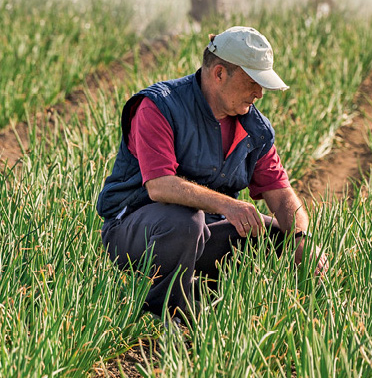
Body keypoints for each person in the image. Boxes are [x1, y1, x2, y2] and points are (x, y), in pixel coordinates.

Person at [96, 26, 327, 319]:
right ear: (219, 74)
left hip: (202, 231)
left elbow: (281, 196)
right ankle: (165, 313)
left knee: (276, 236)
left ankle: (223, 301)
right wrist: (228, 205)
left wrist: (301, 239)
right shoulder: (159, 106)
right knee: (186, 223)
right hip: (136, 230)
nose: (259, 93)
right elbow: (160, 186)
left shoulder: (255, 128)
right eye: (253, 82)